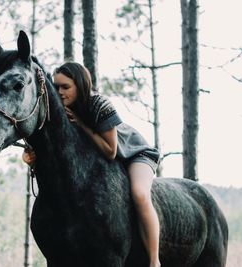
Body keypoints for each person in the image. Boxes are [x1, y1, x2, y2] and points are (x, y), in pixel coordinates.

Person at [23, 62, 161, 267]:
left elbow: (110, 150)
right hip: (106, 161)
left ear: (79, 85)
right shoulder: (61, 111)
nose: (60, 92)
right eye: (57, 86)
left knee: (140, 193)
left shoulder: (99, 104)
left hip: (134, 154)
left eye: (65, 87)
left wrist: (81, 125)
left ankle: (153, 260)